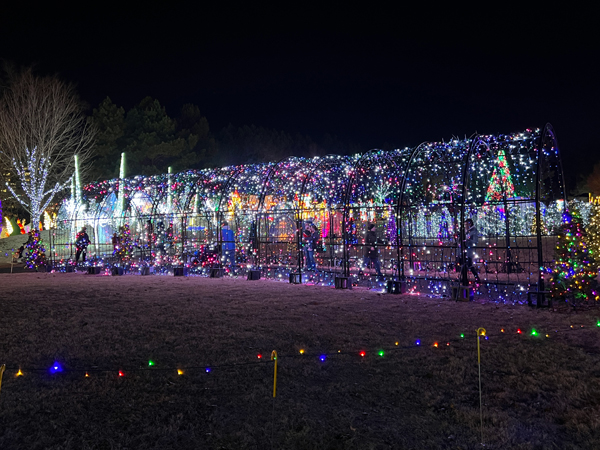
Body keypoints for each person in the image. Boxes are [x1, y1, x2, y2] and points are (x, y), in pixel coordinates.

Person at [463, 218, 481, 283]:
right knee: (464, 263)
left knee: (469, 263)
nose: (466, 226)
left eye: (467, 224)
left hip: (469, 249)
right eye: (465, 224)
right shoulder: (464, 231)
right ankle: (464, 278)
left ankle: (476, 277)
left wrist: (467, 241)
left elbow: (475, 241)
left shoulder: (473, 231)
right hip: (463, 249)